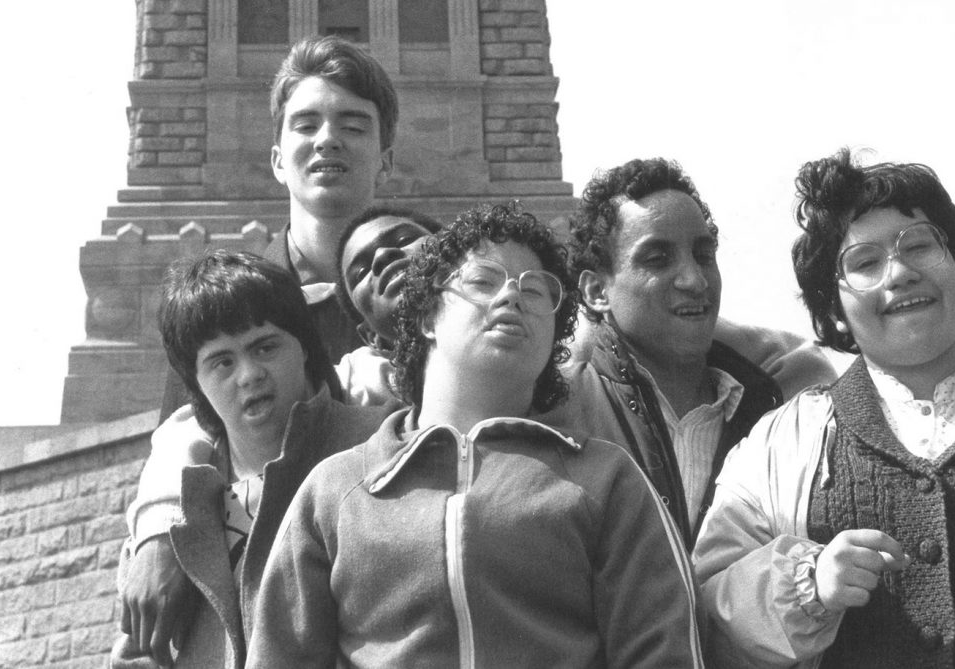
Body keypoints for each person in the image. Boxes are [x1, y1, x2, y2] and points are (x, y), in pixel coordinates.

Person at [246, 202, 705, 667]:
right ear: (427, 317)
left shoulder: (607, 480)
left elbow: (663, 654)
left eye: (537, 290)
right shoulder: (336, 491)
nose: (512, 297)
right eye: (483, 280)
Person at [693, 148, 955, 667]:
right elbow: (706, 613)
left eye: (919, 245)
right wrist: (810, 586)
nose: (900, 272)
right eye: (865, 262)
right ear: (834, 312)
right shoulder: (780, 445)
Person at [112, 251, 394, 667]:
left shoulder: (381, 447)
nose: (248, 375)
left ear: (304, 349)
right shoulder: (172, 516)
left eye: (265, 348)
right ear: (196, 382)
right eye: (221, 361)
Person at [552, 157, 834, 547]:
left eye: (703, 255)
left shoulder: (779, 412)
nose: (694, 280)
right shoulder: (554, 416)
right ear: (597, 292)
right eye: (657, 259)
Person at [159, 34, 398, 416]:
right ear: (278, 162)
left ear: (385, 163)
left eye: (353, 127)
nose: (327, 139)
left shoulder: (438, 299)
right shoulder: (218, 312)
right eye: (306, 125)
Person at [334, 205, 442, 405]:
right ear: (371, 337)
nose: (382, 255)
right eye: (361, 272)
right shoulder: (349, 390)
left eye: (405, 240)